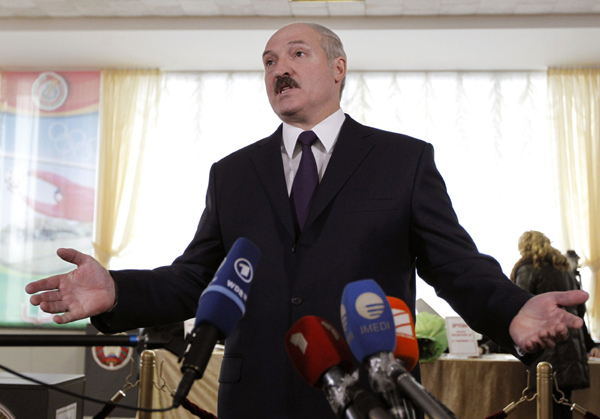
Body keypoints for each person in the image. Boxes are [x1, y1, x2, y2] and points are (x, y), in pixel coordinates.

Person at [26, 23, 588, 419]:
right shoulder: (233, 173)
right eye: (269, 62)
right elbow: (194, 279)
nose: (279, 69)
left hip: (369, 397)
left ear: (338, 69)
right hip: (256, 399)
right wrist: (116, 290)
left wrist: (511, 311)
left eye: (297, 54)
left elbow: (455, 264)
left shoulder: (403, 160)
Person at [510, 231, 597, 419]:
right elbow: (580, 314)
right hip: (572, 348)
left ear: (524, 247)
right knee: (563, 405)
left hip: (547, 349)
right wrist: (590, 345)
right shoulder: (565, 270)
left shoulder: (527, 269)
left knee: (547, 408)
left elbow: (519, 309)